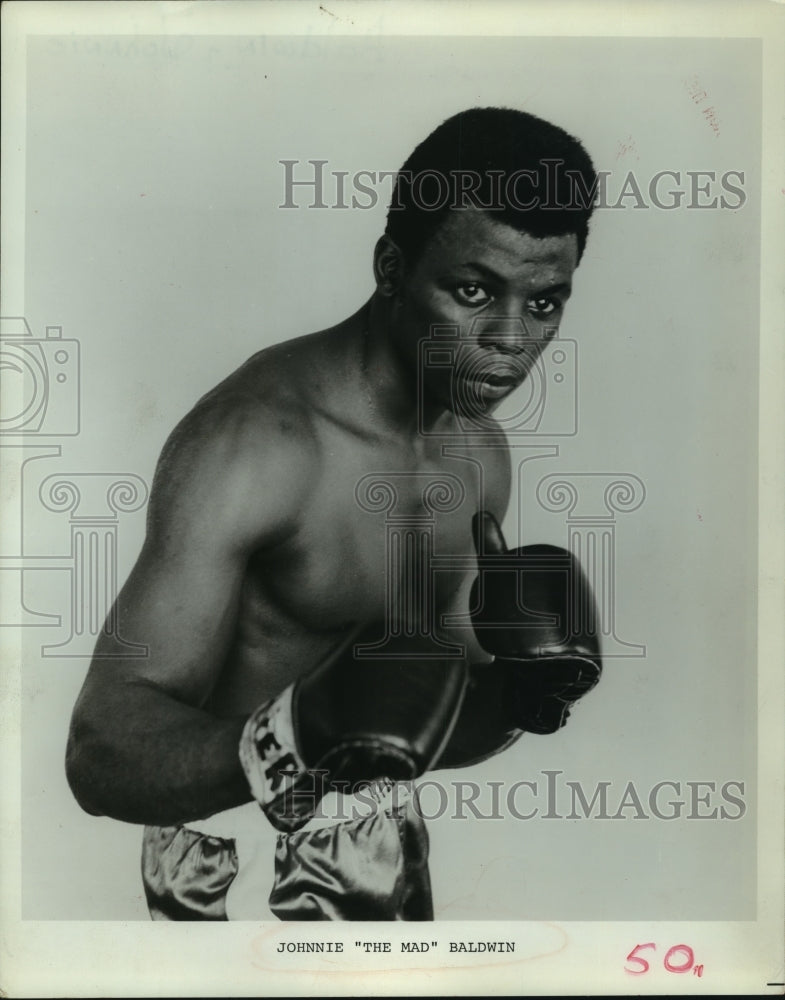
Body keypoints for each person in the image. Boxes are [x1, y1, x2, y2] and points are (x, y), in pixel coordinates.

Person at [66, 107, 603, 921]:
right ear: (391, 266)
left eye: (542, 303)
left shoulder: (479, 454)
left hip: (378, 844)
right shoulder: (256, 447)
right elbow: (99, 754)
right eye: (471, 290)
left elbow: (414, 735)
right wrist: (294, 734)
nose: (507, 340)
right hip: (231, 862)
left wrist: (518, 700)